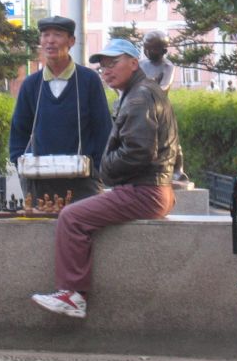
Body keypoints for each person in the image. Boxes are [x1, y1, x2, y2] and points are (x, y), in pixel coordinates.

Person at [31, 39, 179, 318]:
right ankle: (72, 293)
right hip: (155, 189)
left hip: (145, 191)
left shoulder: (139, 97)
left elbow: (138, 152)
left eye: (114, 63)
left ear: (134, 63)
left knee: (71, 217)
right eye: (102, 66)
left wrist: (104, 168)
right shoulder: (140, 91)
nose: (106, 70)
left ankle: (72, 295)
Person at [10, 16, 112, 202]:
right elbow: (19, 131)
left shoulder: (88, 80)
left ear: (71, 41)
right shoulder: (31, 84)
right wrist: (20, 165)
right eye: (45, 35)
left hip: (83, 183)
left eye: (57, 35)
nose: (50, 40)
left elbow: (103, 130)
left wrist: (97, 171)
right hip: (39, 182)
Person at [139, 30, 191, 186]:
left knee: (170, 139)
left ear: (164, 50)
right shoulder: (141, 64)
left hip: (160, 108)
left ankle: (177, 169)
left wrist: (144, 91)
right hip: (141, 108)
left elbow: (165, 86)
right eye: (145, 48)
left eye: (152, 49)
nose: (147, 52)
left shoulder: (167, 66)